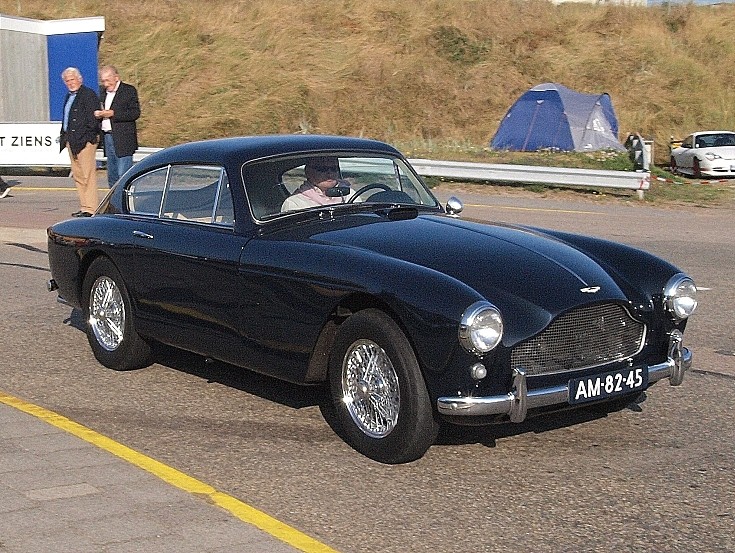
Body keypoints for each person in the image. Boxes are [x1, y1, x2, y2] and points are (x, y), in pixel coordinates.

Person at [59, 67, 100, 217]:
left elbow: (93, 120)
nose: (70, 83)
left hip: (85, 141)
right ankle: (84, 206)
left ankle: (91, 208)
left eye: (72, 79)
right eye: (67, 81)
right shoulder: (69, 96)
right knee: (78, 175)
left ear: (79, 79)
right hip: (72, 141)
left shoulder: (88, 95)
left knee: (87, 175)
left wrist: (88, 137)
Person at [94, 65, 141, 187]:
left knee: (123, 173)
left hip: (123, 138)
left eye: (107, 80)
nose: (105, 84)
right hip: (108, 136)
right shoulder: (102, 93)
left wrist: (113, 114)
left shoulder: (128, 91)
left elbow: (135, 113)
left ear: (116, 77)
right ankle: (113, 200)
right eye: (103, 81)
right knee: (112, 174)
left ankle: (124, 199)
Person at [281, 157, 352, 212]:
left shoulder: (350, 194)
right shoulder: (295, 203)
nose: (330, 173)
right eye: (322, 169)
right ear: (308, 172)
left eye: (333, 168)